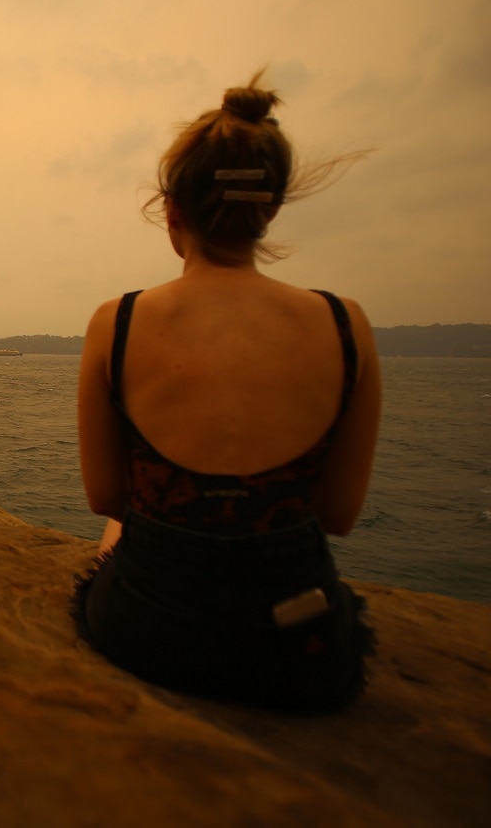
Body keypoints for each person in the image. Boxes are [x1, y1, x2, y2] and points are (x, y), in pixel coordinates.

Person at [73, 72, 381, 712]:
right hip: (299, 647)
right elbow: (340, 516)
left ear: (173, 212)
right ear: (268, 209)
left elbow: (109, 497)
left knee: (115, 525)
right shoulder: (346, 324)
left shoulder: (118, 322)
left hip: (148, 631)